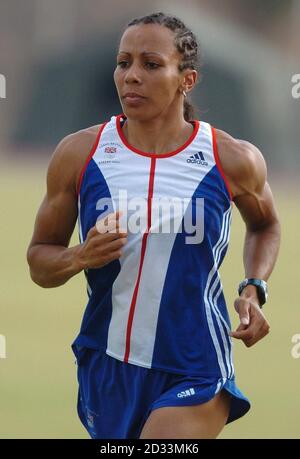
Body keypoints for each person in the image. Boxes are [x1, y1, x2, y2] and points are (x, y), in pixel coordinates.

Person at [26, 12, 281, 439]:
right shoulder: (80, 154)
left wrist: (254, 288)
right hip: (107, 363)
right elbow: (39, 262)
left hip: (195, 364)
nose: (132, 76)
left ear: (187, 79)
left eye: (151, 64)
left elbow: (266, 225)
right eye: (123, 62)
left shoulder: (232, 158)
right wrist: (78, 256)